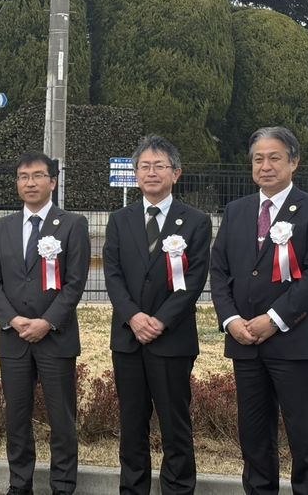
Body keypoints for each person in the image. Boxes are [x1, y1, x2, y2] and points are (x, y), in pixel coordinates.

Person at [211, 126, 308, 495]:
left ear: (293, 162)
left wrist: (275, 319)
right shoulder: (236, 211)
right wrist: (231, 319)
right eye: (258, 158)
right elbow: (219, 270)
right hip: (245, 342)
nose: (265, 166)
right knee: (253, 436)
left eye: (274, 157)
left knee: (306, 435)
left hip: (295, 342)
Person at [102, 135, 211, 495]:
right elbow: (113, 275)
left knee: (174, 424)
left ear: (175, 173)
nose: (151, 173)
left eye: (159, 166)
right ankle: (132, 489)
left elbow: (193, 281)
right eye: (144, 166)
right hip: (128, 340)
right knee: (132, 424)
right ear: (135, 174)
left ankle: (178, 489)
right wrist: (133, 317)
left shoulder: (195, 221)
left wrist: (161, 320)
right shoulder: (119, 219)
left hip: (172, 340)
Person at [0, 151, 90, 495]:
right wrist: (12, 320)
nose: (30, 182)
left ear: (53, 181)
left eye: (37, 175)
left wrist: (47, 322)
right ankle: (19, 483)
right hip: (13, 339)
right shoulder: (2, 227)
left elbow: (75, 283)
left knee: (61, 420)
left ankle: (62, 485)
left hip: (55, 337)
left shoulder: (73, 224)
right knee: (16, 419)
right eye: (23, 176)